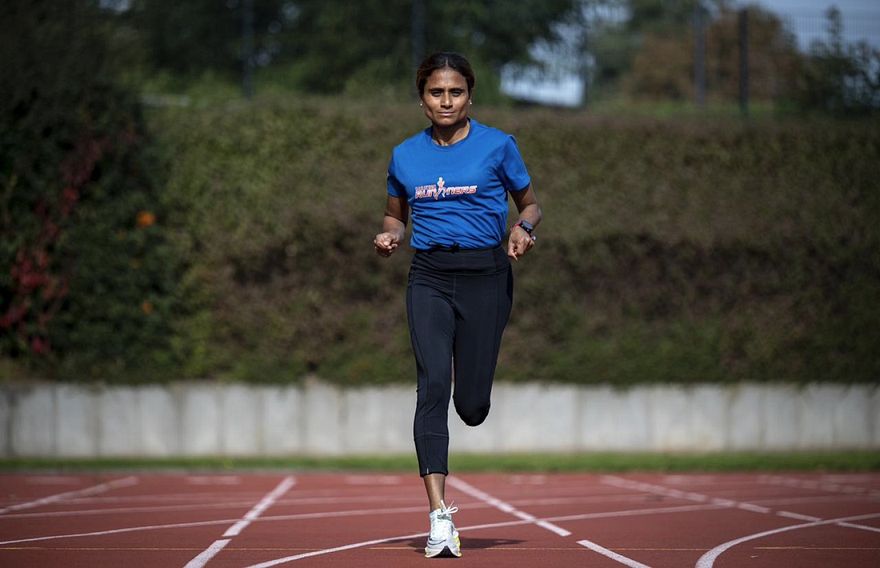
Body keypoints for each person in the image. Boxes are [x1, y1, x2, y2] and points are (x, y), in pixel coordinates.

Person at [373, 51, 542, 558]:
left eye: (455, 92)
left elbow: (530, 204)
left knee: (471, 407)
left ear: (469, 96)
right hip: (429, 276)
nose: (446, 101)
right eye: (436, 92)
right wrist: (389, 236)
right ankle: (439, 517)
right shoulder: (405, 155)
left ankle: (473, 402)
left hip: (486, 277)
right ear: (422, 98)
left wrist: (523, 228)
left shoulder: (498, 145)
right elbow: (394, 216)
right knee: (432, 386)